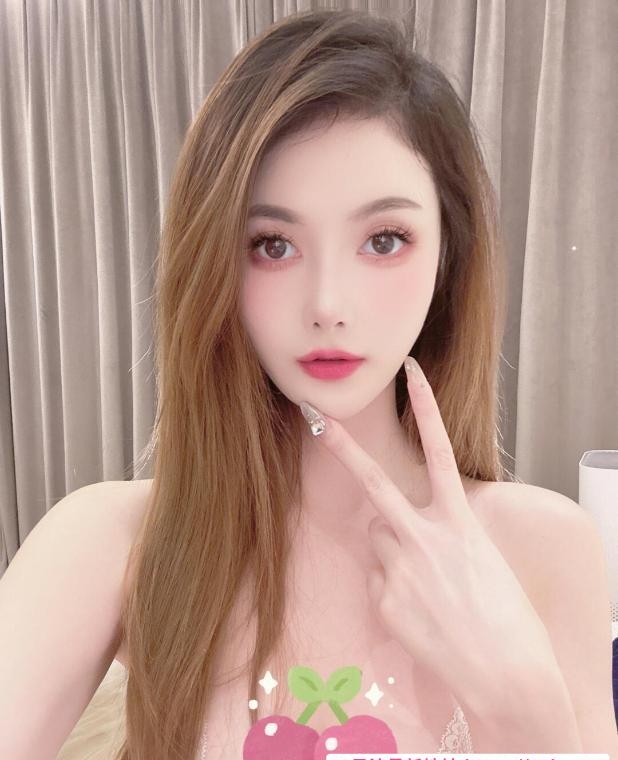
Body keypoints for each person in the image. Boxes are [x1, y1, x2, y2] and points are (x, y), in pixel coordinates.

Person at [1, 8, 616, 760]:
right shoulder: (116, 544)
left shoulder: (547, 550)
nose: (328, 304)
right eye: (273, 245)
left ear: (447, 257)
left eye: (383, 240)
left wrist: (521, 708)